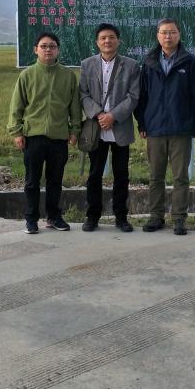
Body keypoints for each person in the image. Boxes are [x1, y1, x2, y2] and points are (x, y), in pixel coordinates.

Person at [134, 18, 195, 235]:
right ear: (158, 36)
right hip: (154, 128)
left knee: (180, 177)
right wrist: (142, 122)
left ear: (179, 34)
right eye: (164, 32)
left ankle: (179, 218)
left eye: (172, 32)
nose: (168, 36)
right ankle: (156, 217)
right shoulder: (148, 63)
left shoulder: (190, 63)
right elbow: (141, 96)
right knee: (155, 176)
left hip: (180, 128)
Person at [7, 31, 81, 234]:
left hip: (59, 137)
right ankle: (31, 219)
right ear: (36, 50)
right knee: (32, 181)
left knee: (55, 181)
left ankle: (54, 217)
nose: (48, 49)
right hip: (33, 136)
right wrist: (16, 132)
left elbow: (75, 107)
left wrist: (74, 130)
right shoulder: (27, 75)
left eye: (52, 46)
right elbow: (16, 106)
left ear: (58, 50)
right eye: (44, 46)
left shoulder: (68, 76)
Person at [79, 23, 140, 232]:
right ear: (97, 42)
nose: (107, 41)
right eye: (103, 38)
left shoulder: (131, 65)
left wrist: (113, 116)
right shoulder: (87, 64)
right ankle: (92, 216)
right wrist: (99, 114)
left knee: (121, 175)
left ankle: (121, 217)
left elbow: (134, 96)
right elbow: (83, 94)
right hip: (96, 128)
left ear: (118, 41)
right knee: (94, 174)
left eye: (111, 37)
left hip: (119, 127)